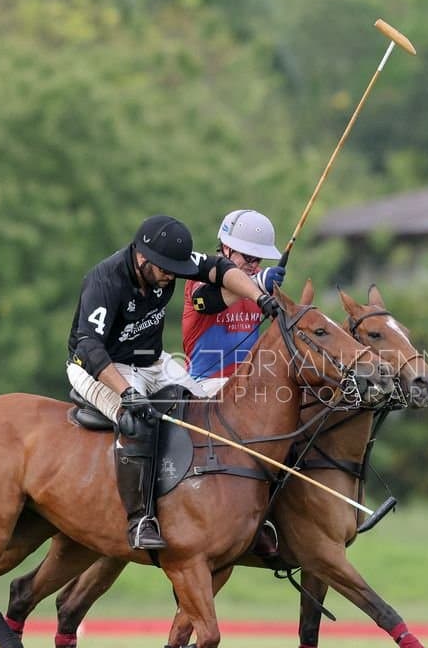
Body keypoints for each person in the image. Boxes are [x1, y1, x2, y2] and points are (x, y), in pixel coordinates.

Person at [67, 214, 279, 550]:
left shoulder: (170, 263)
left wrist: (259, 296)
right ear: (141, 258)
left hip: (153, 361)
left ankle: (219, 508)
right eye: (165, 269)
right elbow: (88, 346)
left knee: (208, 411)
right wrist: (126, 393)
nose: (170, 276)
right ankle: (140, 520)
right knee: (136, 422)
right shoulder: (105, 280)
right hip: (98, 367)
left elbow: (220, 270)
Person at [181, 209, 286, 396]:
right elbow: (202, 303)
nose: (253, 265)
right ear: (226, 248)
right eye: (248, 257)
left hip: (248, 382)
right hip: (204, 385)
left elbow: (282, 328)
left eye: (258, 259)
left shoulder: (260, 277)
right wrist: (256, 285)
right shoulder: (202, 276)